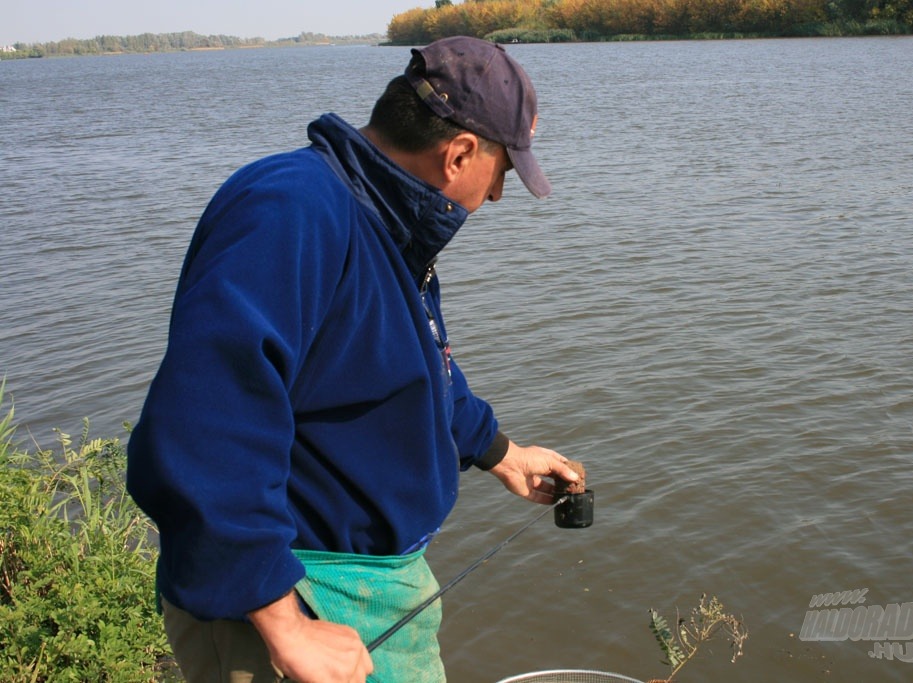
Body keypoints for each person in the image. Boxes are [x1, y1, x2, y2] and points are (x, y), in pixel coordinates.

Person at [126, 35, 582, 683]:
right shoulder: (294, 211)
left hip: (366, 588)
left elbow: (413, 365)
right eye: (504, 173)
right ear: (458, 154)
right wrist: (284, 624)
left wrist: (500, 452)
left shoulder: (389, 220)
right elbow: (201, 428)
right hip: (295, 600)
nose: (499, 196)